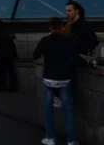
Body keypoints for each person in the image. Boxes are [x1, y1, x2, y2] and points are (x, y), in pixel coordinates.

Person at [33, 17, 85, 145]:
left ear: (50, 27)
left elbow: (35, 55)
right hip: (64, 78)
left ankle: (50, 138)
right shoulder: (68, 41)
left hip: (49, 78)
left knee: (48, 108)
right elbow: (76, 57)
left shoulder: (45, 40)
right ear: (62, 27)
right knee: (68, 109)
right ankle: (70, 140)